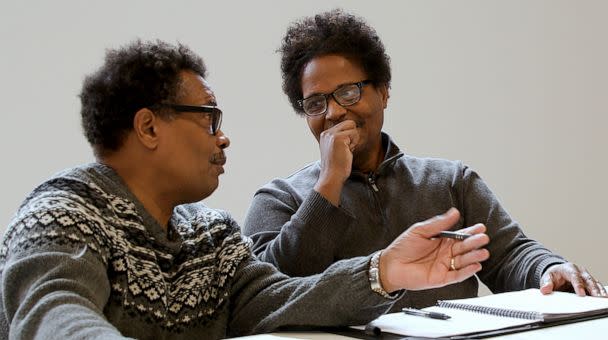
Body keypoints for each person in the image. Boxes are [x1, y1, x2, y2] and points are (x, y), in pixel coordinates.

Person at [0, 40, 491, 340]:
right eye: (210, 117)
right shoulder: (61, 215)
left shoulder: (210, 236)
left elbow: (278, 299)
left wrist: (382, 271)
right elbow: (53, 316)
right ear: (149, 128)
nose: (224, 135)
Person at [242, 9, 606, 311]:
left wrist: (549, 267)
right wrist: (328, 186)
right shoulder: (277, 198)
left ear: (384, 91)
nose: (335, 111)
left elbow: (510, 254)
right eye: (316, 103)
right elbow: (267, 298)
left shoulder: (451, 180)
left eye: (348, 92)